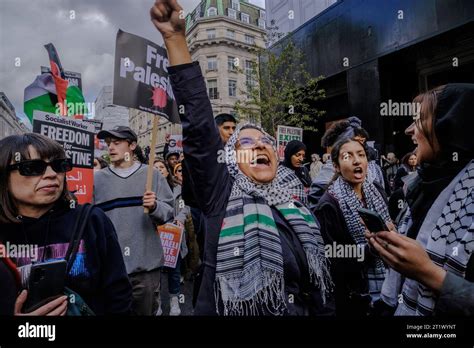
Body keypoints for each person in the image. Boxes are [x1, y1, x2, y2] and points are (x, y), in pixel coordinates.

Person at [150, 0, 333, 316]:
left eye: (266, 142)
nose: (261, 146)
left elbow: (318, 291)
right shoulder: (221, 194)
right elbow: (197, 121)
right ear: (229, 160)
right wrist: (176, 41)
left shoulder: (295, 207)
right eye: (247, 143)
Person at [367, 84, 474, 316]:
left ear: (448, 126)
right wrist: (391, 251)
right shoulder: (421, 187)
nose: (408, 131)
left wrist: (429, 273)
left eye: (419, 120)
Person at [0, 133, 132, 315]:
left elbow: (119, 295)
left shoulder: (92, 220)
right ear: (4, 177)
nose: (52, 174)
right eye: (33, 167)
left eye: (59, 165)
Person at [94, 126, 174, 316]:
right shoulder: (97, 180)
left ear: (132, 145)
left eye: (117, 143)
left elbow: (170, 211)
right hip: (111, 269)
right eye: (108, 144)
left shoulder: (151, 175)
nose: (111, 148)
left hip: (145, 269)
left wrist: (155, 207)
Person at [314, 136, 392, 316]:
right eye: (348, 157)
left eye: (361, 155)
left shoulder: (377, 190)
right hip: (353, 296)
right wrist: (370, 250)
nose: (357, 161)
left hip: (388, 283)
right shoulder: (328, 205)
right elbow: (331, 256)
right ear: (336, 166)